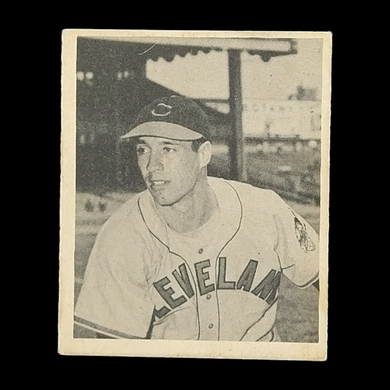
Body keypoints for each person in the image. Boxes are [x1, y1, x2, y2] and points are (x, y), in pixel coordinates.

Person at [74, 95, 319, 341]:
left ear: (203, 155)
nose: (151, 165)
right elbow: (114, 347)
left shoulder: (265, 210)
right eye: (143, 149)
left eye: (168, 149)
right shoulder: (122, 235)